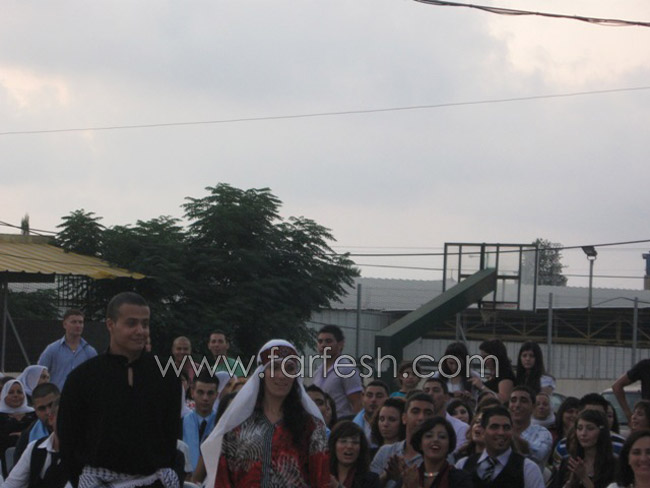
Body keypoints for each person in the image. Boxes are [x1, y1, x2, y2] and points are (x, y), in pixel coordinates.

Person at [58, 292, 181, 488]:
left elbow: (171, 433)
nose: (140, 331)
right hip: (97, 481)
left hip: (154, 479)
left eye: (145, 324)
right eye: (131, 323)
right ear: (110, 324)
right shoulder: (83, 377)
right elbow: (68, 438)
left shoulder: (166, 374)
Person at [202, 339, 329, 487]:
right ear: (261, 373)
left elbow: (321, 480)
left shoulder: (311, 426)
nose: (281, 375)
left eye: (289, 368)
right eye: (274, 368)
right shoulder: (238, 424)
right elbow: (223, 478)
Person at [456, 406, 545, 488]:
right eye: (494, 427)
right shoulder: (463, 465)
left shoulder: (528, 469)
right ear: (483, 431)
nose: (501, 432)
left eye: (506, 428)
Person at [370, 392, 436, 488]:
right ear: (404, 418)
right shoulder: (386, 452)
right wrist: (387, 476)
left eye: (428, 413)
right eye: (415, 412)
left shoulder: (439, 456)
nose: (421, 417)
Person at [3, 397, 70, 488]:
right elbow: (11, 484)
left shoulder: (83, 455)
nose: (69, 423)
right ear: (51, 419)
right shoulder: (34, 447)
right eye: (64, 418)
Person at [552, 394, 625, 470]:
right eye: (588, 414)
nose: (592, 419)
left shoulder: (620, 445)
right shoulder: (563, 446)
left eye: (598, 415)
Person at [402, 417, 473, 488]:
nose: (435, 440)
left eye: (442, 437)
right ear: (420, 444)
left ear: (449, 444)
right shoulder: (410, 476)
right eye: (429, 436)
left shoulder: (461, 479)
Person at [552, 409, 615, 488]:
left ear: (602, 432)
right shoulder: (569, 462)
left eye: (590, 428)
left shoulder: (613, 465)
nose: (583, 433)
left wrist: (584, 477)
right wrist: (570, 483)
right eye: (579, 428)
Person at [37, 309, 98, 390]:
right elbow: (38, 373)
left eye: (80, 322)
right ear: (64, 324)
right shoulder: (52, 349)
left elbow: (96, 378)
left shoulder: (90, 352)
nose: (78, 325)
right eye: (74, 322)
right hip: (58, 396)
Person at [313, 325, 363, 419]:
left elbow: (357, 403)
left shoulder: (347, 369)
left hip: (341, 422)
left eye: (328, 341)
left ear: (340, 344)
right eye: (320, 341)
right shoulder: (318, 372)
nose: (323, 345)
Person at [12, 382, 60, 465]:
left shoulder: (80, 427)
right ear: (35, 410)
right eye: (42, 408)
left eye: (51, 405)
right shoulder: (27, 437)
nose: (48, 412)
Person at [508, 386, 553, 469]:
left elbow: (538, 454)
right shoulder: (500, 430)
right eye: (513, 401)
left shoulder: (542, 433)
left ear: (533, 407)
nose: (517, 405)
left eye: (523, 401)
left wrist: (511, 435)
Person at [182, 372, 219, 471]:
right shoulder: (181, 423)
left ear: (216, 395)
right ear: (192, 392)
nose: (205, 398)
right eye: (200, 392)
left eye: (210, 393)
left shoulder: (221, 424)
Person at [0, 379, 36, 478]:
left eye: (19, 392)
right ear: (4, 395)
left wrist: (23, 435)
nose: (15, 395)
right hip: (5, 461)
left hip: (32, 458)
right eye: (11, 392)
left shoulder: (34, 414)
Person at [421, 378, 469, 453]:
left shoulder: (461, 428)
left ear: (446, 397)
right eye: (426, 391)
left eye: (436, 390)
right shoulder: (418, 424)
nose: (430, 394)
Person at [329, 421, 380, 488]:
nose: (349, 446)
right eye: (343, 441)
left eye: (355, 442)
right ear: (333, 445)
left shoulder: (371, 480)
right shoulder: (323, 474)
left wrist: (337, 486)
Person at [471, 339, 515, 404]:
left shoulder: (505, 374)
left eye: (486, 357)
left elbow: (504, 399)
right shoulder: (493, 375)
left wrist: (482, 386)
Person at [612, 357, 650, 424]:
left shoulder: (645, 366)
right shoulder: (645, 366)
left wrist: (629, 415)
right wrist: (629, 415)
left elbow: (617, 386)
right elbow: (617, 386)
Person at [354, 381, 390, 445]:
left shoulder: (393, 424)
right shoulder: (353, 424)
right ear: (363, 398)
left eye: (379, 396)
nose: (373, 400)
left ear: (388, 398)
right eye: (369, 396)